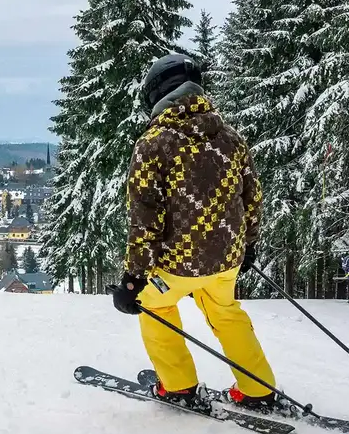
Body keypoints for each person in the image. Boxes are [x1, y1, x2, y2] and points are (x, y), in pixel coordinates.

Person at [110, 53, 282, 414]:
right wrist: (248, 244)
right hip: (226, 259)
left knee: (155, 305)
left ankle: (178, 387)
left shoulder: (153, 143)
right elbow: (252, 196)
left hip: (176, 266)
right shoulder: (231, 138)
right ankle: (257, 390)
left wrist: (134, 279)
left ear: (156, 94)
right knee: (226, 312)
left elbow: (144, 217)